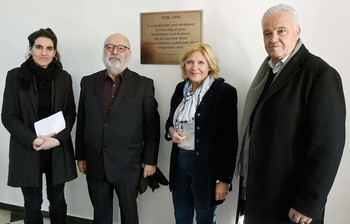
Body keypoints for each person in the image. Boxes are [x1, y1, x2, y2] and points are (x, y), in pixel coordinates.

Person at [236, 4, 346, 224]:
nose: (273, 38)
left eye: (281, 31)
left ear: (297, 32)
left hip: (292, 206)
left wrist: (307, 202)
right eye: (267, 33)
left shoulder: (321, 75)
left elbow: (327, 146)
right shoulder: (266, 73)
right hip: (259, 198)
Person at [75, 33, 160, 224]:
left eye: (121, 48)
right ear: (104, 50)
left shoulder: (144, 84)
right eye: (110, 47)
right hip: (95, 162)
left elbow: (151, 127)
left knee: (129, 216)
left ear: (128, 53)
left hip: (128, 165)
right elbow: (82, 121)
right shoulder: (88, 82)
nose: (115, 52)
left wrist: (150, 161)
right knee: (100, 216)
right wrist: (80, 155)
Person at [1, 28, 77, 224]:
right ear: (30, 49)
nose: (44, 53)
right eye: (39, 47)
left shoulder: (64, 78)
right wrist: (34, 139)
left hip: (56, 149)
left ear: (55, 52)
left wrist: (56, 140)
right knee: (33, 203)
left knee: (58, 200)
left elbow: (70, 113)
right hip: (28, 148)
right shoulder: (15, 76)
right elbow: (8, 116)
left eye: (49, 48)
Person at [165, 43, 238, 224]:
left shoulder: (224, 92)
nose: (194, 67)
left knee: (205, 219)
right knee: (181, 218)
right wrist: (172, 132)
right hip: (180, 164)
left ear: (210, 65)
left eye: (200, 62)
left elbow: (230, 141)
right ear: (184, 65)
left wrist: (223, 180)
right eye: (190, 62)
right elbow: (169, 122)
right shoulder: (180, 89)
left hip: (207, 169)